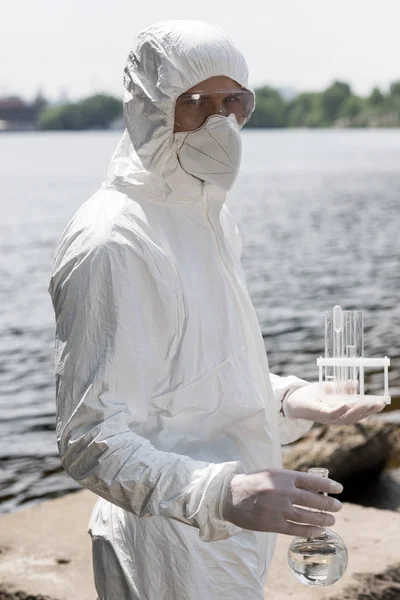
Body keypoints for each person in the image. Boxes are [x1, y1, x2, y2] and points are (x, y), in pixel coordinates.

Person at [48, 20, 385, 600]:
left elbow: (200, 380)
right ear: (149, 108)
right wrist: (222, 494)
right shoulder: (114, 240)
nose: (220, 122)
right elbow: (91, 439)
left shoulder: (207, 219)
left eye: (235, 101)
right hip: (164, 550)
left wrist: (291, 399)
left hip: (229, 542)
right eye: (196, 102)